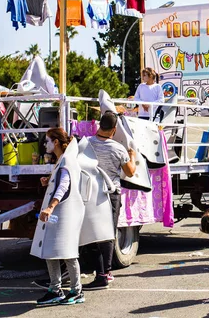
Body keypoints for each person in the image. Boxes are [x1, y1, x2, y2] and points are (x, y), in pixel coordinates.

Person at [82, 112, 137, 290]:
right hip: (110, 193)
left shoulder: (86, 143)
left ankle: (97, 271)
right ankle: (104, 275)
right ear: (114, 130)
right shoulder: (118, 148)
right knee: (107, 234)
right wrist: (133, 156)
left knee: (90, 232)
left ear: (99, 125)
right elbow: (130, 172)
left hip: (88, 192)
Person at [32, 128, 85, 306]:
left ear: (56, 142)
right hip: (58, 214)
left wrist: (50, 207)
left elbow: (64, 186)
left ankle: (76, 291)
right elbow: (61, 182)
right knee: (50, 251)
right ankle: (55, 289)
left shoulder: (66, 160)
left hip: (62, 214)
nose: (45, 144)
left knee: (67, 252)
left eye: (47, 141)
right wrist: (49, 180)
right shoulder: (61, 160)